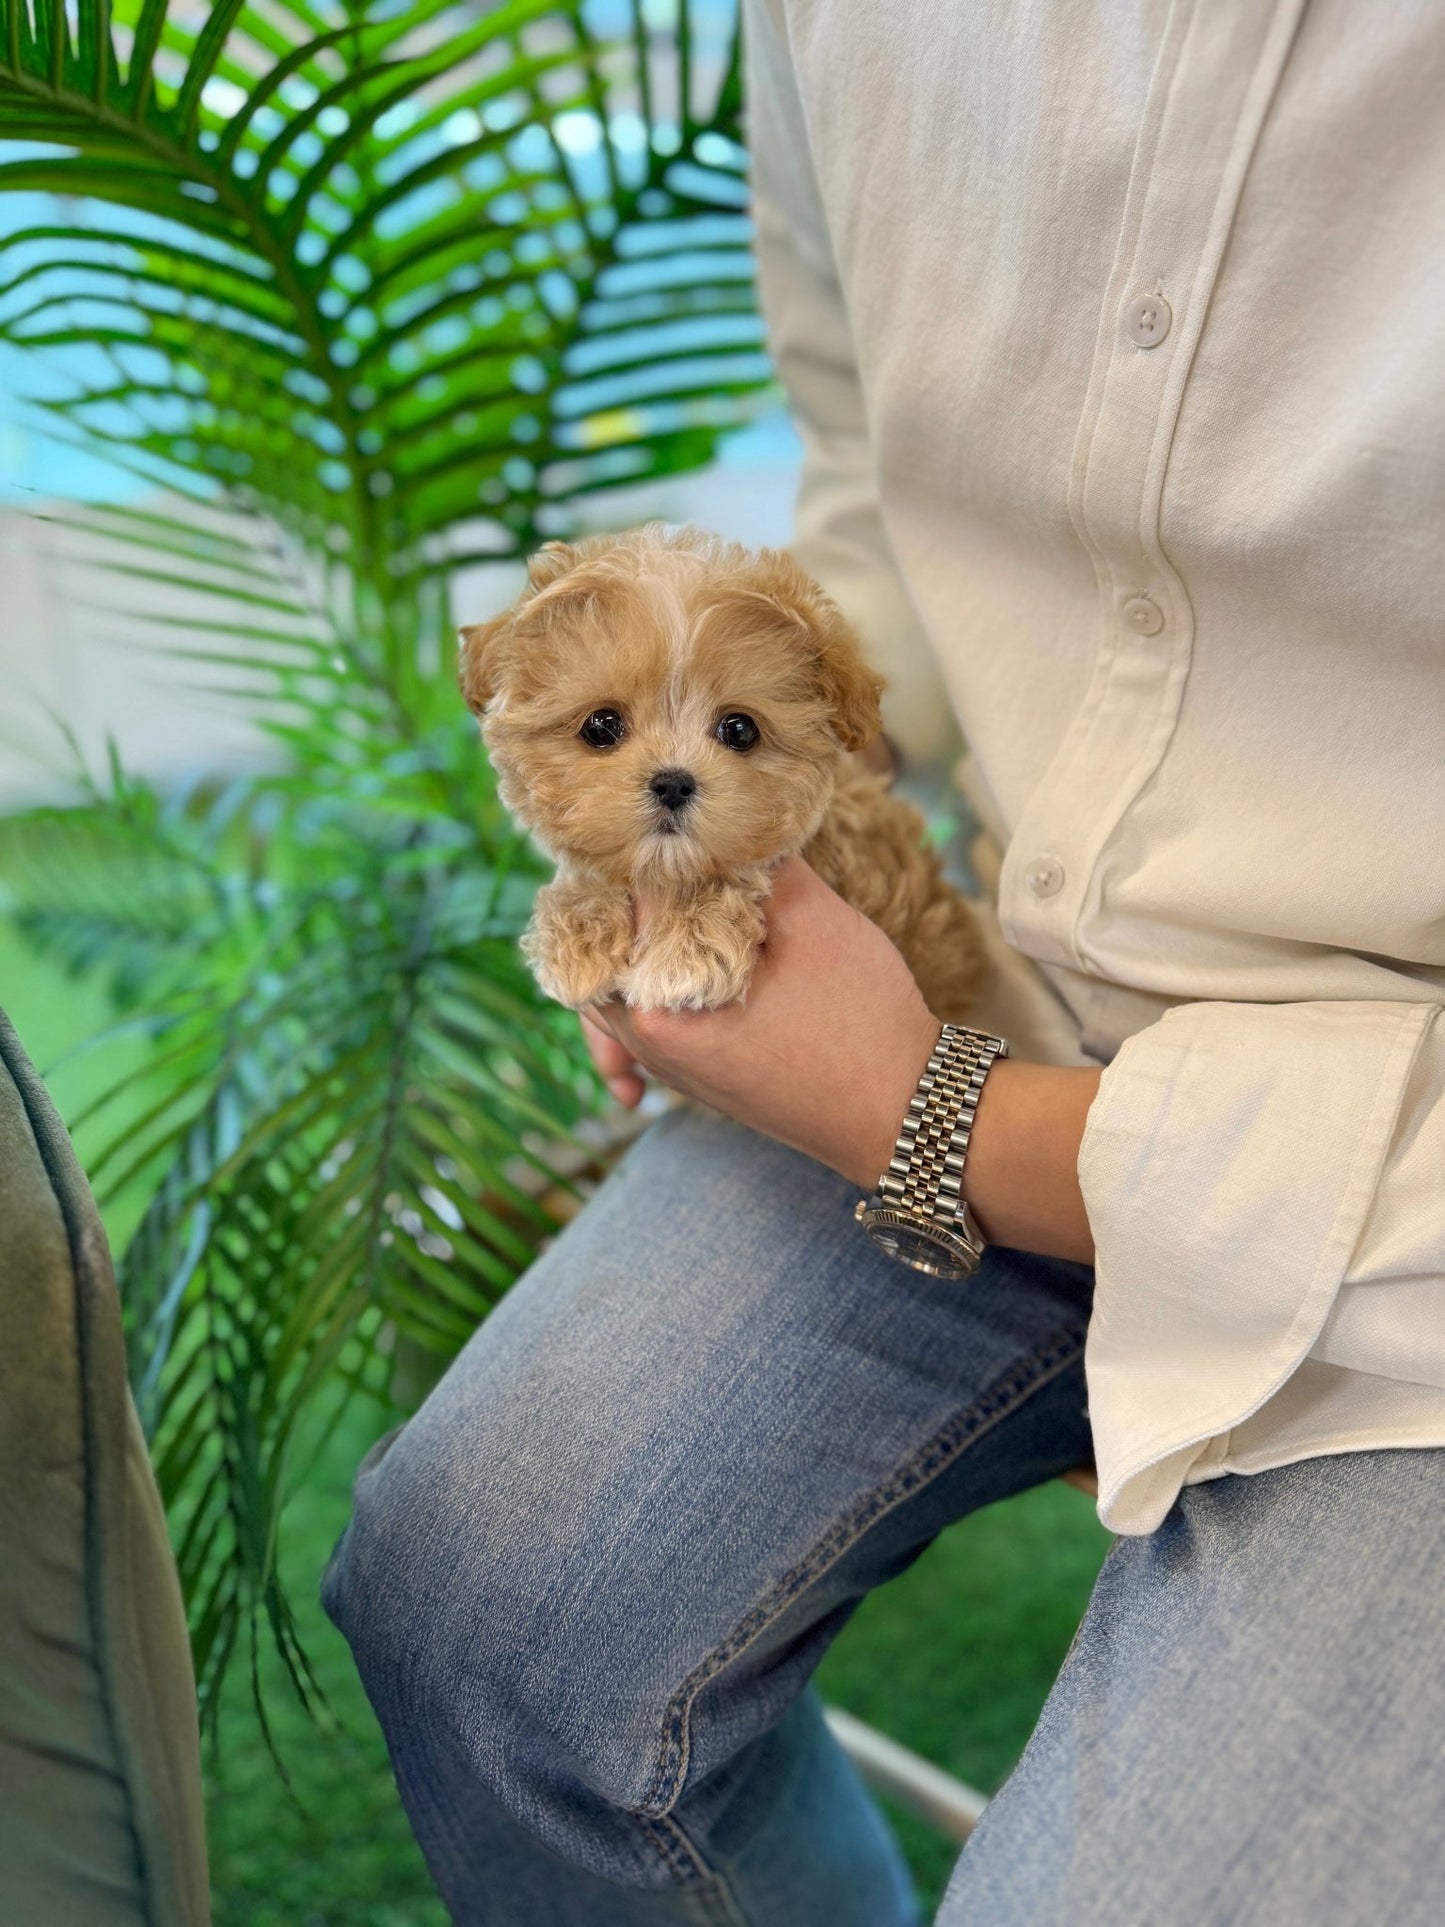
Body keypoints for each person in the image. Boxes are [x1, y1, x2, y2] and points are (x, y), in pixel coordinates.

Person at [322, 2, 1445, 1920]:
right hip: (1006, 972)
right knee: (483, 1617)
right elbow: (871, 474)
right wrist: (786, 807)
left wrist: (928, 1120)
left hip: (1382, 1201)